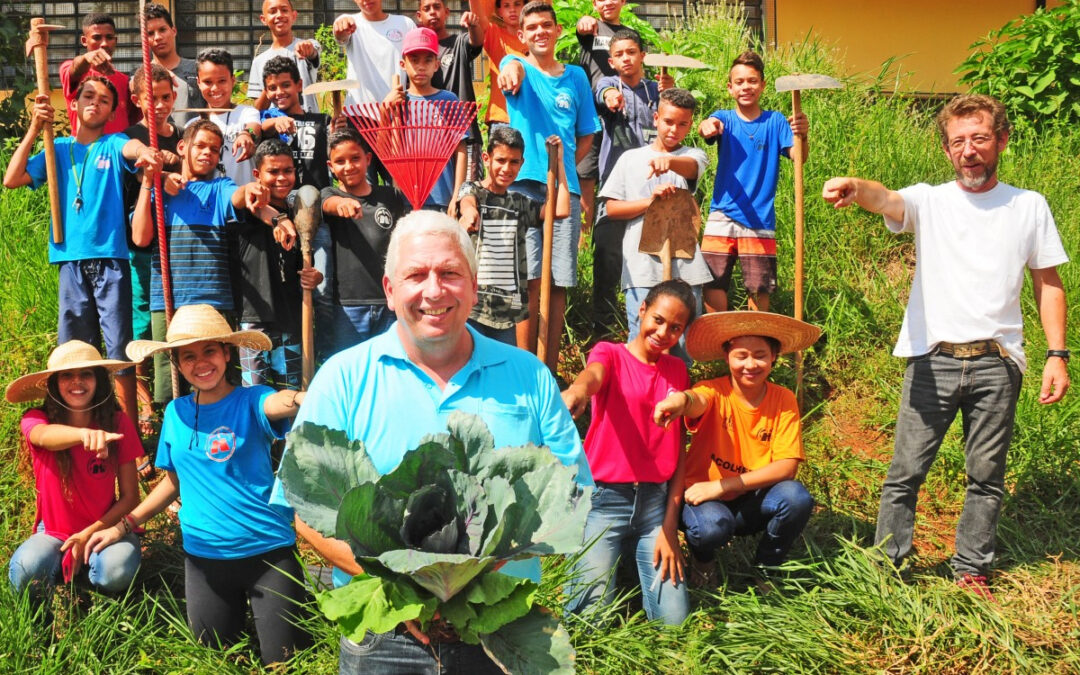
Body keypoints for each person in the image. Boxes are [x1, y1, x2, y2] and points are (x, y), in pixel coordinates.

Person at [269, 210, 591, 673]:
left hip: (498, 625)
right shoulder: (343, 378)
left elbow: (573, 489)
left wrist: (470, 580)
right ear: (390, 289)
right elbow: (303, 506)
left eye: (450, 273)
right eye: (416, 274)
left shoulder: (528, 376)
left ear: (474, 286)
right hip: (385, 633)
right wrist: (410, 593)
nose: (434, 290)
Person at [822, 93, 1070, 599]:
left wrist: (1057, 354)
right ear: (946, 149)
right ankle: (888, 567)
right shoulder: (930, 200)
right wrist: (853, 186)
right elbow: (886, 198)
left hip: (998, 362)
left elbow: (1048, 283)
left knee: (985, 474)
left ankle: (972, 568)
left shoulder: (1029, 206)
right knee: (905, 471)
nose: (969, 150)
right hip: (932, 360)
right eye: (958, 142)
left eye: (979, 138)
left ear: (1000, 140)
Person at [86, 306, 313, 665]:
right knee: (216, 661)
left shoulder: (251, 400)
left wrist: (303, 399)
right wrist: (123, 526)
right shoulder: (176, 413)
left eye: (210, 350)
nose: (201, 363)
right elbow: (173, 481)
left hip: (267, 552)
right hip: (205, 561)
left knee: (286, 662)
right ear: (176, 363)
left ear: (227, 353)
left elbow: (277, 403)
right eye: (188, 356)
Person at [3, 78, 163, 427]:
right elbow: (11, 179)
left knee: (119, 349)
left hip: (110, 260)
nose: (95, 103)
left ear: (111, 111)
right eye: (88, 96)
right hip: (69, 260)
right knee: (75, 351)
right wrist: (34, 127)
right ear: (73, 104)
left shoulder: (113, 143)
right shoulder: (56, 146)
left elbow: (132, 149)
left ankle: (128, 434)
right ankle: (81, 427)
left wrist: (145, 152)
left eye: (104, 100)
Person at [562, 279, 696, 625]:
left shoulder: (678, 371)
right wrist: (577, 391)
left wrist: (670, 526)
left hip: (654, 505)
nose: (664, 332)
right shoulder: (611, 353)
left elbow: (679, 451)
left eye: (675, 327)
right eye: (658, 319)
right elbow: (593, 375)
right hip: (605, 501)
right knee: (588, 621)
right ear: (642, 311)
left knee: (675, 623)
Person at [654, 311, 820, 581]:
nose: (750, 364)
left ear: (774, 356)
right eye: (741, 355)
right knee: (711, 527)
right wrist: (679, 401)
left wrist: (724, 485)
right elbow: (695, 400)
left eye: (760, 355)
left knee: (795, 498)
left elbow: (787, 467)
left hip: (751, 500)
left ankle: (767, 568)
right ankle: (703, 561)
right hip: (702, 497)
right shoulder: (714, 391)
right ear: (727, 356)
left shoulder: (784, 399)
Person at [130, 119, 273, 404]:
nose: (207, 153)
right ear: (182, 147)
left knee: (217, 379)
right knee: (171, 382)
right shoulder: (162, 191)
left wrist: (251, 191)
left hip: (213, 301)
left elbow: (238, 195)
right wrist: (150, 181)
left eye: (215, 149)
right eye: (200, 146)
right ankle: (177, 439)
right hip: (168, 300)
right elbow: (140, 238)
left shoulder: (220, 187)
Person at [497, 0, 601, 370]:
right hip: (524, 188)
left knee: (557, 281)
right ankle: (526, 369)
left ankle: (550, 368)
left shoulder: (575, 77)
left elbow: (586, 134)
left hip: (564, 190)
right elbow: (508, 71)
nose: (540, 31)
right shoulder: (518, 65)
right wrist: (510, 70)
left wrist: (563, 167)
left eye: (547, 25)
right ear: (522, 35)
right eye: (532, 27)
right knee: (529, 278)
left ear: (558, 31)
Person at [6, 341, 142, 617]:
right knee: (24, 571)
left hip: (105, 528)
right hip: (53, 530)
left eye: (86, 374)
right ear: (54, 383)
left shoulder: (117, 423)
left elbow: (131, 497)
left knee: (117, 571)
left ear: (98, 381)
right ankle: (58, 576)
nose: (77, 382)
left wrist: (87, 534)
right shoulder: (36, 419)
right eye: (67, 375)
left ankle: (90, 576)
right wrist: (83, 435)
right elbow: (43, 437)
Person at [599, 87, 709, 358]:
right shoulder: (630, 159)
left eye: (682, 124)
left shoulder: (693, 155)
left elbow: (691, 168)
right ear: (656, 118)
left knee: (682, 342)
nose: (674, 130)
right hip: (641, 267)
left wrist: (669, 162)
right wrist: (650, 202)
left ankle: (677, 394)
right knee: (642, 338)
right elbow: (611, 208)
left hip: (685, 266)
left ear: (690, 125)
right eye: (668, 122)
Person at [698, 50, 807, 313]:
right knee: (712, 281)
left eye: (752, 80)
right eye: (739, 82)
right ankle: (718, 343)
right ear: (730, 87)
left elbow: (798, 157)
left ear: (763, 85)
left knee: (759, 286)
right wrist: (707, 126)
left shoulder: (777, 121)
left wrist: (803, 134)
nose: (746, 86)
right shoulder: (724, 118)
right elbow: (707, 126)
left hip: (760, 217)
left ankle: (755, 344)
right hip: (722, 213)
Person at [590, 29, 672, 336]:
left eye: (631, 52)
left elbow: (675, 128)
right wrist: (611, 97)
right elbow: (602, 92)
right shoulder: (610, 83)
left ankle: (645, 330)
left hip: (653, 191)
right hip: (616, 191)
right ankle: (603, 330)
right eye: (619, 54)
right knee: (607, 257)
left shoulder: (656, 91)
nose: (626, 58)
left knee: (648, 263)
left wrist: (669, 97)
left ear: (643, 56)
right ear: (611, 61)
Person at [457, 128, 568, 345]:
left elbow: (561, 209)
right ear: (486, 158)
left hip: (506, 316)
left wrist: (560, 164)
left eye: (514, 162)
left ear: (522, 163)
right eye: (501, 160)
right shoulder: (473, 191)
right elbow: (466, 201)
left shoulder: (520, 203)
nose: (507, 168)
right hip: (473, 310)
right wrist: (469, 213)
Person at [232, 139, 324, 388]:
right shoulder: (250, 209)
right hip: (254, 320)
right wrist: (251, 191)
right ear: (257, 174)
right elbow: (238, 199)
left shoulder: (301, 213)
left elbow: (307, 266)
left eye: (288, 170)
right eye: (273, 172)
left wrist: (315, 277)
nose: (281, 178)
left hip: (292, 319)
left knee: (292, 394)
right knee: (255, 396)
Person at [123, 63, 182, 440]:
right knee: (142, 323)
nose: (159, 105)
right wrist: (154, 163)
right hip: (142, 246)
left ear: (174, 96)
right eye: (151, 98)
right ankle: (146, 403)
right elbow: (132, 152)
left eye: (165, 97)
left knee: (173, 320)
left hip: (179, 244)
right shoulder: (132, 137)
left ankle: (175, 391)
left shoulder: (184, 136)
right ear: (136, 100)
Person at [321, 128, 410, 355]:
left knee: (391, 363)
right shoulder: (329, 194)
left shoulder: (389, 196)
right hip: (349, 306)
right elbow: (327, 204)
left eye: (355, 158)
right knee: (350, 364)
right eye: (340, 161)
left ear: (368, 159)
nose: (349, 166)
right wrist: (340, 205)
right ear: (331, 167)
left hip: (389, 301)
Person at [383, 27, 468, 214]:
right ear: (403, 64)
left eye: (428, 60)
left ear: (436, 65)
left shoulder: (449, 101)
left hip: (443, 197)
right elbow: (385, 150)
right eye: (414, 60)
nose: (421, 66)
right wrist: (384, 111)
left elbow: (460, 150)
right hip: (406, 198)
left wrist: (457, 196)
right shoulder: (396, 103)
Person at [575, 0, 626, 240]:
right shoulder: (593, 28)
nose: (607, 3)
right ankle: (584, 248)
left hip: (621, 115)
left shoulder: (630, 35)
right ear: (595, 4)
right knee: (586, 176)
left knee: (619, 177)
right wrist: (583, 22)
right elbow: (582, 29)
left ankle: (612, 242)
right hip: (590, 114)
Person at [417, 0, 486, 180]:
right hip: (432, 141)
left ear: (447, 12)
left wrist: (473, 25)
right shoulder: (417, 54)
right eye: (427, 8)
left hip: (466, 134)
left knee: (468, 195)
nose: (433, 12)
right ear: (419, 16)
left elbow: (477, 41)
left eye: (437, 7)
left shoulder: (459, 42)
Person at [59, 12, 138, 135]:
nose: (104, 43)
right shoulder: (70, 70)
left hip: (121, 152)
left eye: (109, 37)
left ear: (115, 40)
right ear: (84, 41)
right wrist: (86, 58)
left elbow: (133, 120)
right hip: (87, 152)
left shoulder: (124, 80)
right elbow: (75, 69)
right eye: (97, 37)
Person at [193, 48, 263, 185]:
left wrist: (246, 134)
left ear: (233, 80)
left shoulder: (247, 113)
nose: (215, 88)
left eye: (222, 81)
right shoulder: (193, 125)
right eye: (208, 82)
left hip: (244, 200)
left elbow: (253, 128)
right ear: (198, 83)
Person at [333, 0, 416, 107]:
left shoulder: (405, 24)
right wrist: (341, 31)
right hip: (358, 114)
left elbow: (416, 64)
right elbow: (341, 36)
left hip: (395, 112)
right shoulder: (348, 22)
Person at [248, 0, 322, 113]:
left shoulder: (305, 47)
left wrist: (308, 49)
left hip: (310, 126)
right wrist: (270, 83)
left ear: (294, 16)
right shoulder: (259, 61)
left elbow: (313, 52)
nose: (279, 15)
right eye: (273, 11)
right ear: (263, 19)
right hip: (275, 128)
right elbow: (258, 108)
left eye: (284, 10)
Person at [142, 3, 206, 126]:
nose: (158, 37)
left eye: (162, 30)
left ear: (174, 31)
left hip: (192, 142)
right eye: (150, 33)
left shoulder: (197, 69)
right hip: (155, 144)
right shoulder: (141, 75)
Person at [477, 0, 525, 130]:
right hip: (501, 118)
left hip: (530, 117)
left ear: (524, 7)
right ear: (499, 11)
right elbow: (479, 18)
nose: (512, 10)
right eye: (506, 5)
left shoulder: (532, 36)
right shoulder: (494, 33)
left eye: (517, 4)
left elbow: (545, 10)